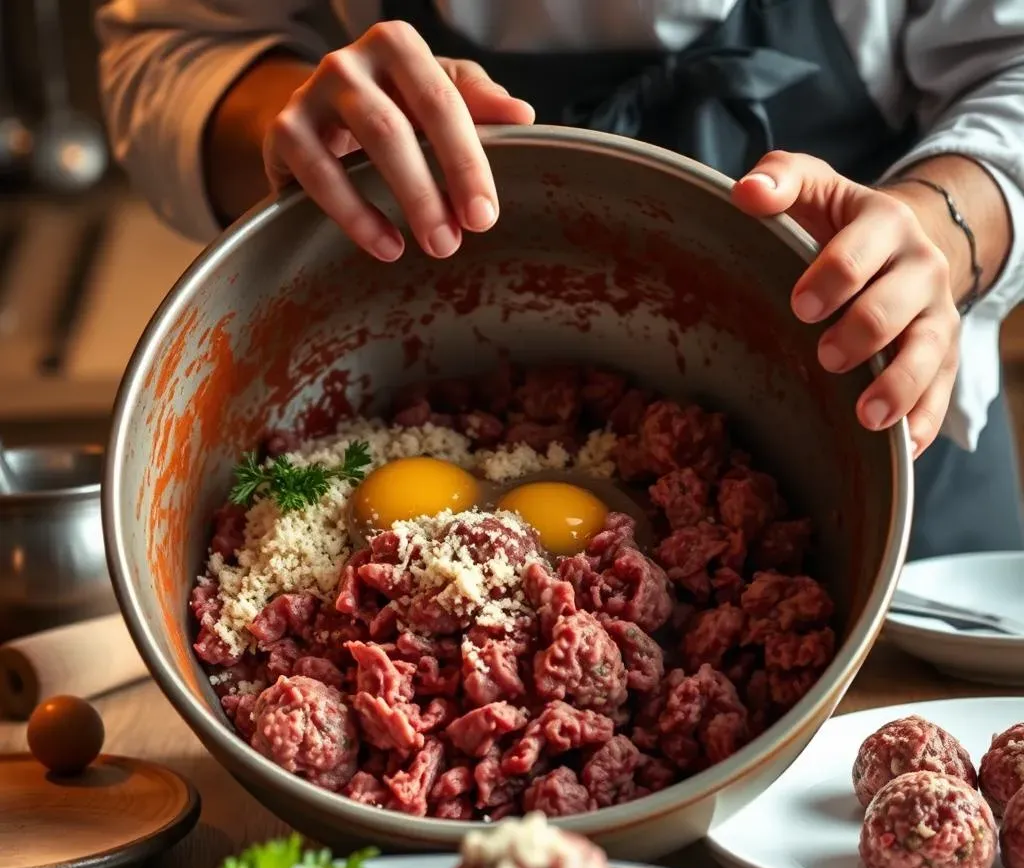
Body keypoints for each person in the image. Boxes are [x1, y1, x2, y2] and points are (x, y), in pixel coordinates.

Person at [96, 1, 1024, 560]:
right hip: (414, 336)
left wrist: (942, 229)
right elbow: (170, 48)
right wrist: (299, 119)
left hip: (893, 470)